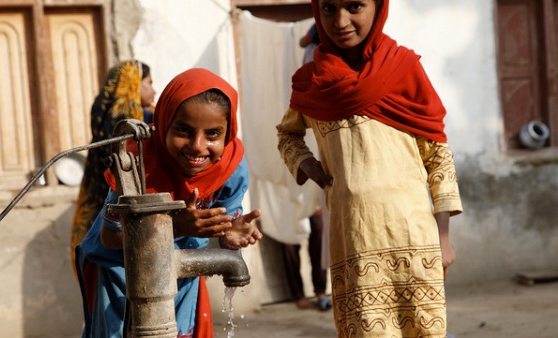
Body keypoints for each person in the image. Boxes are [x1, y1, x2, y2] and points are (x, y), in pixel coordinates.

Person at [276, 0, 463, 337]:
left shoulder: (403, 67)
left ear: (378, 7)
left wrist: (443, 237)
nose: (341, 21)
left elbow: (437, 153)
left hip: (414, 241)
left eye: (354, 6)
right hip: (354, 242)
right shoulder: (312, 82)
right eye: (330, 9)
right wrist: (306, 163)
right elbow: (287, 133)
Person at [76, 68, 263, 338]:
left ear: (228, 133)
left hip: (182, 271)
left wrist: (229, 232)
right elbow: (110, 237)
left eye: (213, 134)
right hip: (121, 272)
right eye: (184, 131)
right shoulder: (138, 163)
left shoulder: (231, 167)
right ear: (163, 122)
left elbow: (226, 225)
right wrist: (174, 226)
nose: (198, 146)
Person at [70, 60, 156, 275]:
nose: (154, 90)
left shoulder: (104, 121)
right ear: (134, 84)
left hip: (97, 224)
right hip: (127, 225)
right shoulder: (134, 125)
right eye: (149, 83)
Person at [279, 23, 331, 312]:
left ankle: (321, 290)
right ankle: (300, 294)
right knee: (289, 236)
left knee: (319, 230)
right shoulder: (305, 88)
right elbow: (286, 133)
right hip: (291, 181)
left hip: (322, 187)